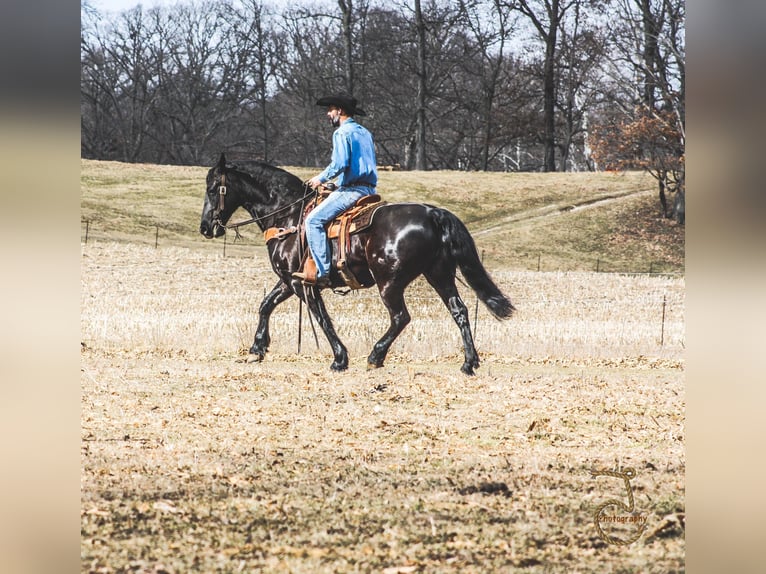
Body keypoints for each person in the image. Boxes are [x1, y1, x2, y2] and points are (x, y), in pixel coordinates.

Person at [293, 94, 378, 288]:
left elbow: (340, 163)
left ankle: (322, 272)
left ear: (339, 111)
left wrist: (319, 179)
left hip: (352, 190)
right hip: (369, 190)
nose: (327, 113)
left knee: (313, 220)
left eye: (330, 109)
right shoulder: (365, 132)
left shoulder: (342, 133)